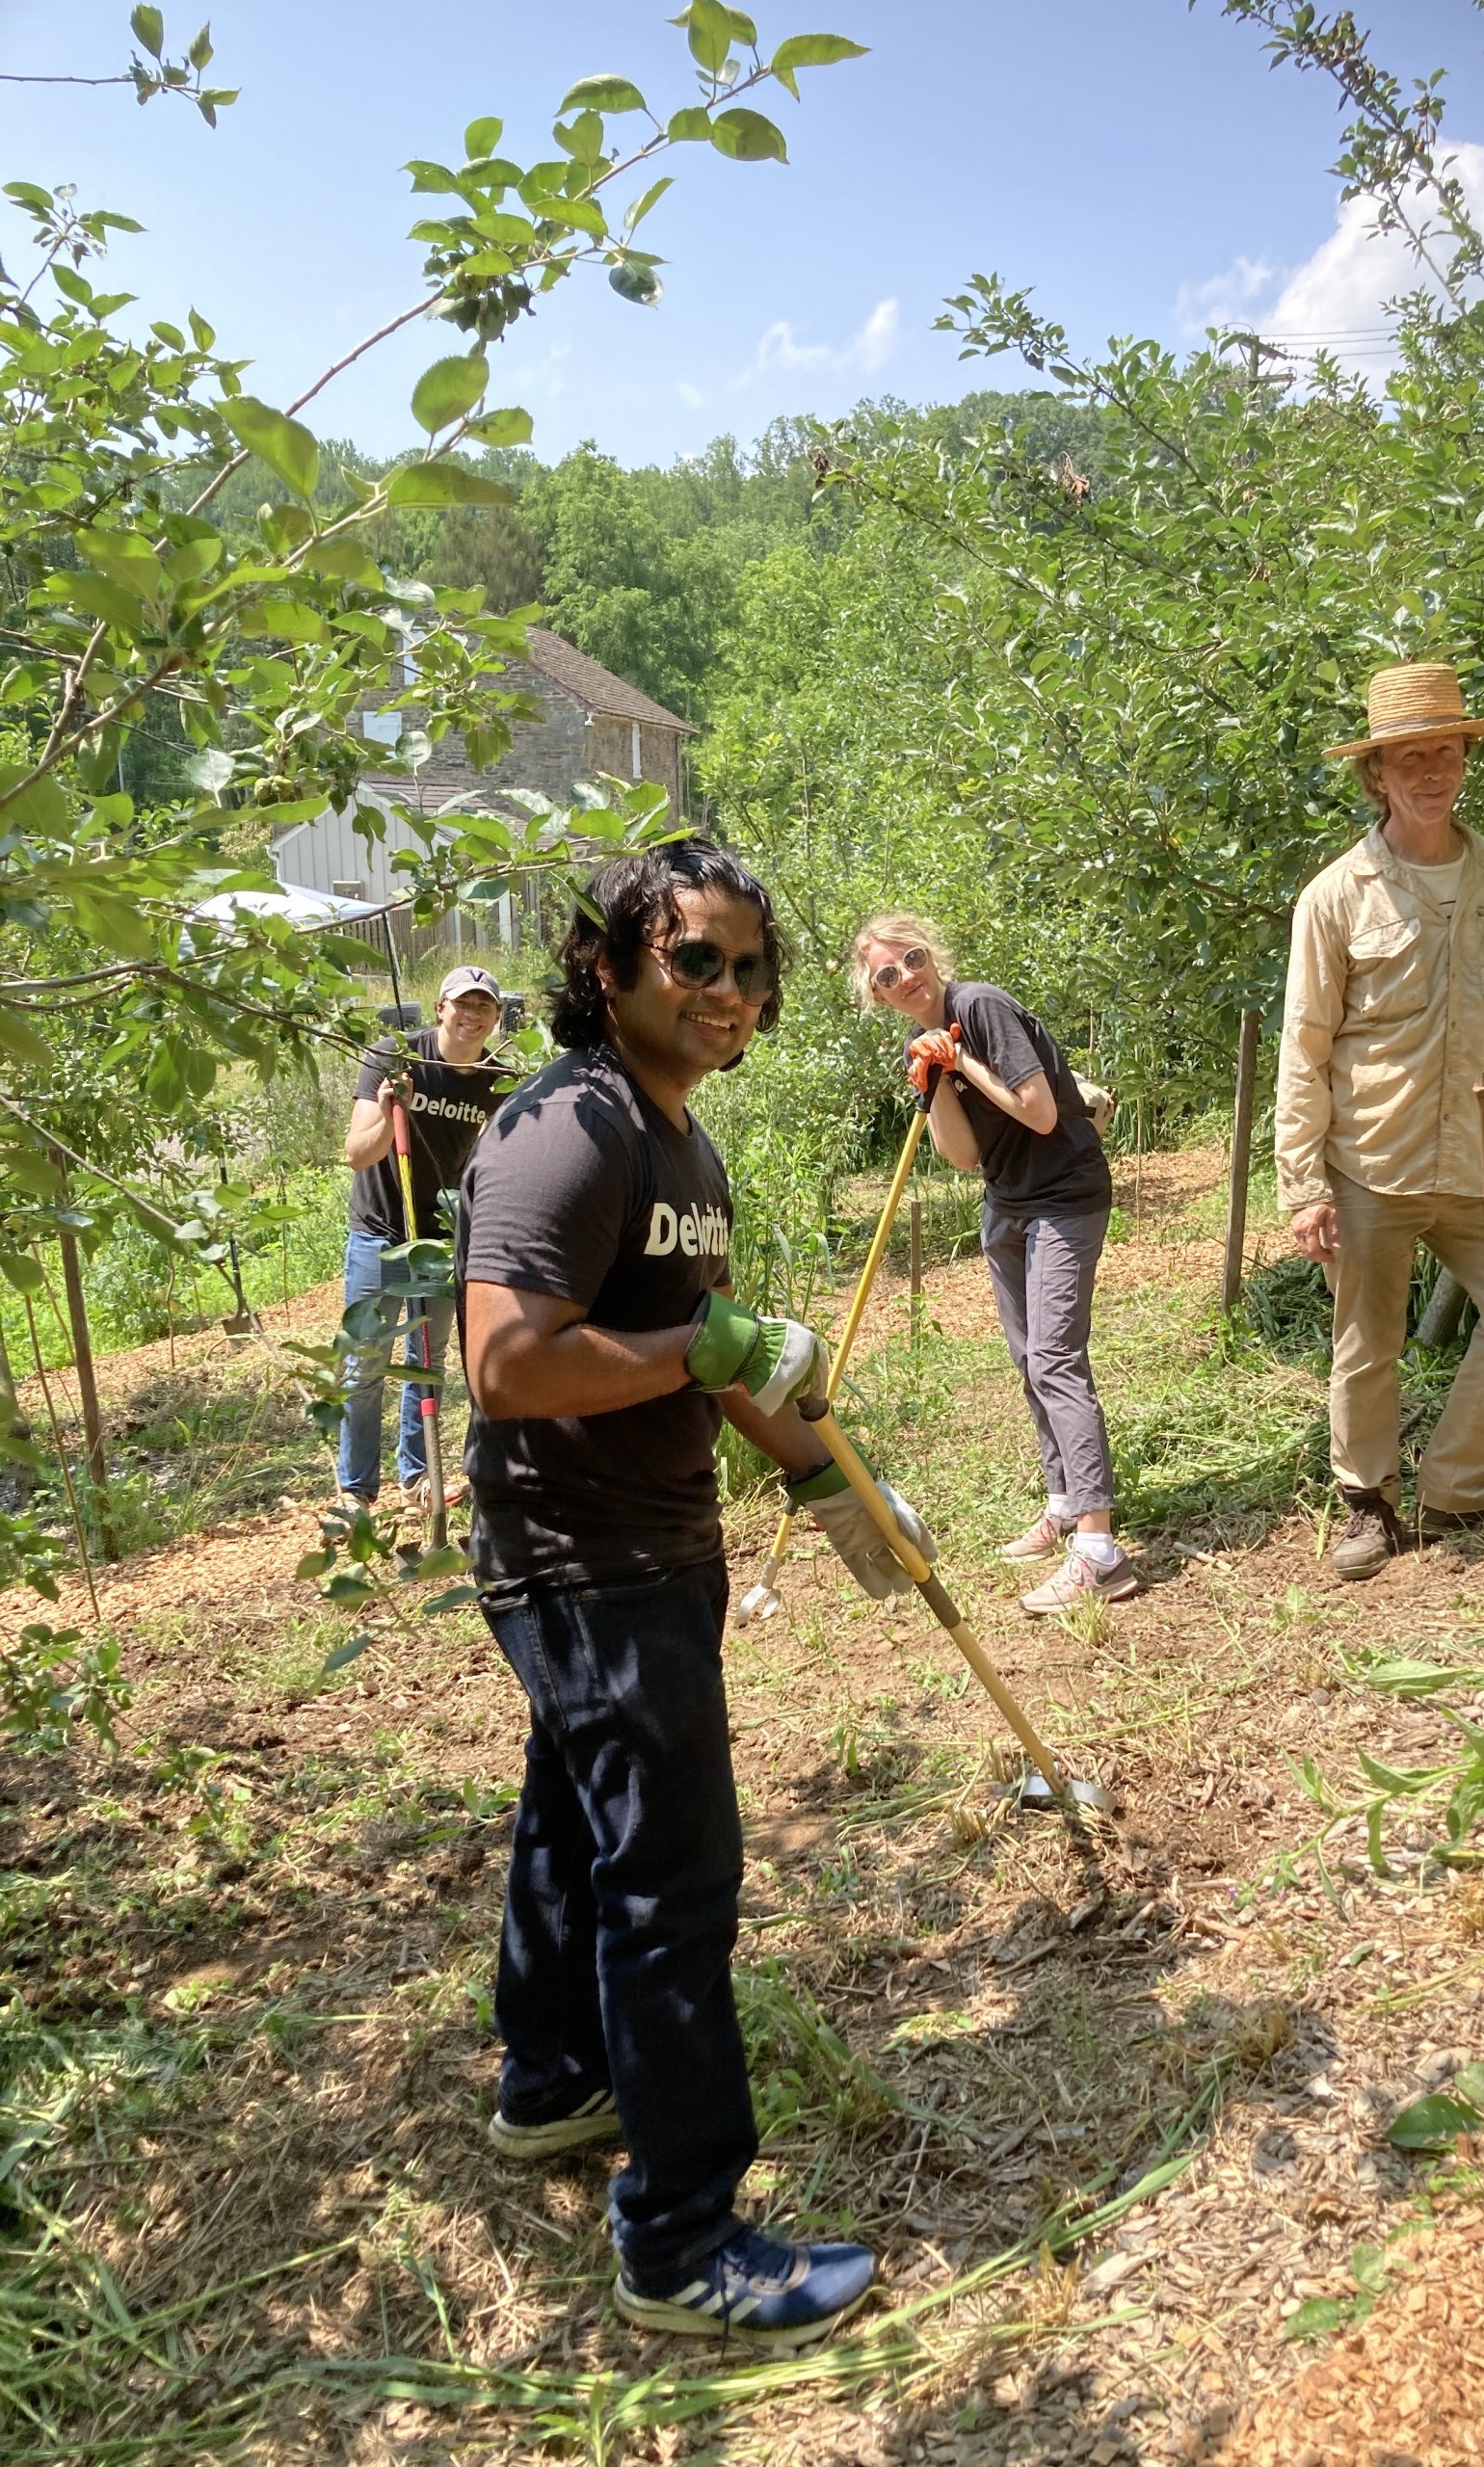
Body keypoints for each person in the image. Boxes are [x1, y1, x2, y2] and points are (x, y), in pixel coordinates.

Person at [458, 838, 935, 2348]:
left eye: (749, 966)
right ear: (612, 969)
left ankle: (552, 2082)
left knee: (574, 1814)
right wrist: (705, 1352)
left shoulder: (683, 1144)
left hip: (649, 1545)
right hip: (586, 1562)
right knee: (673, 1885)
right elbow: (509, 1361)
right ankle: (681, 2243)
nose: (730, 990)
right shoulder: (572, 1130)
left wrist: (829, 1482)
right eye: (694, 961)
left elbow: (701, 1348)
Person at [1276, 662, 1484, 1581]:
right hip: (1371, 1157)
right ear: (1376, 774)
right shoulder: (1336, 895)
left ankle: (1460, 1488)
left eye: (1445, 750)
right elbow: (1304, 1045)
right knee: (1367, 1341)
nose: (1431, 770)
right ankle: (1368, 1503)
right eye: (1407, 756)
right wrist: (1303, 1183)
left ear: (1466, 756)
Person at [851, 915, 1132, 1612]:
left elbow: (1038, 1114)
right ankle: (1064, 1502)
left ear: (931, 954)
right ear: (878, 995)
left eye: (911, 958)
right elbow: (962, 1155)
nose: (905, 976)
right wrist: (935, 1081)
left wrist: (962, 1061)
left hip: (1065, 1194)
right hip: (1006, 1201)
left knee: (1056, 1358)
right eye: (887, 975)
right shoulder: (928, 1043)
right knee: (1026, 1356)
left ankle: (1100, 1552)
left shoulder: (979, 1008)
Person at [337, 962, 506, 1512]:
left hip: (436, 1240)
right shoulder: (395, 1056)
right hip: (379, 1234)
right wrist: (391, 1111)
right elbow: (357, 1153)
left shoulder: (496, 1078)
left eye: (484, 1006)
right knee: (364, 1366)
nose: (472, 1015)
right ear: (441, 1008)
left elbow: (499, 1157)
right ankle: (355, 1489)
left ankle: (418, 1475)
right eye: (463, 1003)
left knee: (425, 1363)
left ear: (497, 1018)